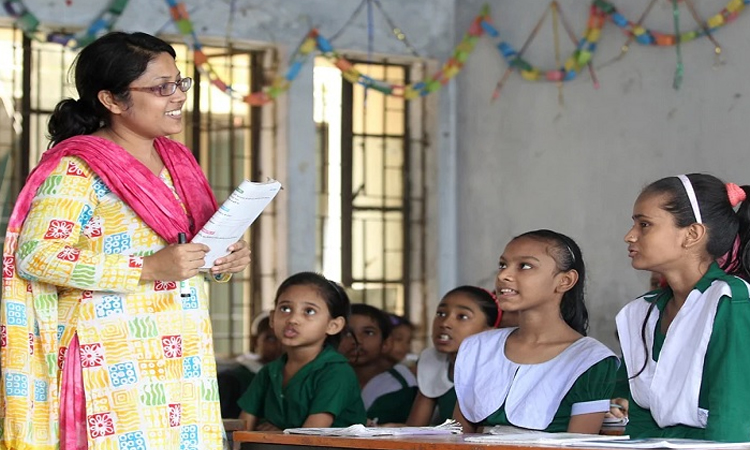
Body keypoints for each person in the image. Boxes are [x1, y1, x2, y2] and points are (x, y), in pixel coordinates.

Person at [0, 32, 252, 450]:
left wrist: (224, 258)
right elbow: (36, 256)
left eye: (179, 83)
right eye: (160, 88)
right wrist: (148, 268)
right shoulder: (80, 167)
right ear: (112, 101)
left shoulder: (178, 162)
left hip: (180, 354)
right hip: (109, 358)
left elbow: (188, 249)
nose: (177, 97)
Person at [618, 174, 750, 442]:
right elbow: (640, 421)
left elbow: (732, 419)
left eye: (645, 224)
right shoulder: (640, 313)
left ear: (692, 234)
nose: (629, 236)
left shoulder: (730, 301)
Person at [454, 229, 618, 434]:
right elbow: (458, 437)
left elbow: (578, 445)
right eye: (503, 265)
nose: (504, 275)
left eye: (524, 266)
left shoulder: (590, 360)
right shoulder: (478, 348)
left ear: (564, 281)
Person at [237, 272, 366, 430]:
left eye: (309, 311)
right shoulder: (269, 372)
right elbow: (243, 428)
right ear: (272, 318)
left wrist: (279, 437)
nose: (292, 319)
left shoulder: (336, 373)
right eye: (285, 308)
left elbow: (309, 437)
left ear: (333, 326)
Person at [406, 286, 501, 426]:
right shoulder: (433, 361)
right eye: (441, 314)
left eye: (462, 317)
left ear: (489, 330)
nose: (445, 323)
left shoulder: (497, 367)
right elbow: (414, 428)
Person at [340, 304, 417, 425]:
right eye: (347, 333)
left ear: (386, 343)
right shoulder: (325, 378)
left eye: (368, 332)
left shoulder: (403, 385)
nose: (357, 340)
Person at [218, 312, 282, 418]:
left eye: (283, 339)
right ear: (255, 341)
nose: (279, 346)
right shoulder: (232, 379)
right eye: (271, 339)